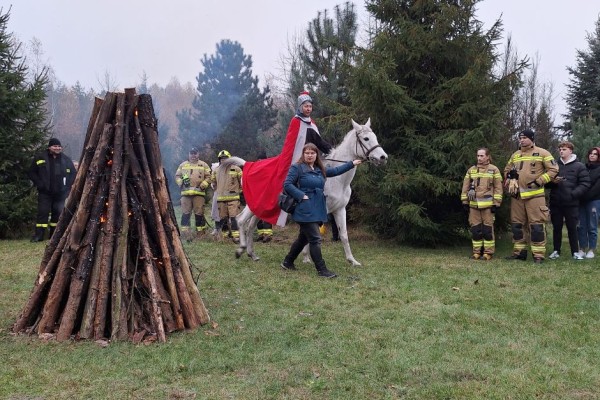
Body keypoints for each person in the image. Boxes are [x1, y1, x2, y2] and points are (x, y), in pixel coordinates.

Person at [240, 91, 332, 227]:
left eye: (310, 106)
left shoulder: (311, 123)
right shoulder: (296, 121)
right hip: (297, 162)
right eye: (305, 106)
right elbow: (290, 146)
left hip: (310, 158)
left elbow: (319, 142)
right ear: (300, 107)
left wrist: (332, 152)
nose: (308, 109)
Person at [280, 143, 362, 278]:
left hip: (317, 209)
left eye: (312, 153)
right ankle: (322, 270)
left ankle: (287, 262)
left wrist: (351, 163)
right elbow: (287, 184)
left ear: (316, 155)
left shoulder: (319, 169)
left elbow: (335, 171)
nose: (309, 155)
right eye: (307, 153)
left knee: (302, 238)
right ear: (303, 154)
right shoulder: (297, 168)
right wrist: (301, 195)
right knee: (315, 239)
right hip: (304, 208)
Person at [504, 129, 558, 263]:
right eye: (520, 138)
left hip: (535, 197)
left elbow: (554, 169)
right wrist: (510, 176)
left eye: (525, 137)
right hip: (517, 197)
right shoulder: (515, 155)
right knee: (517, 226)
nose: (521, 140)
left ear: (532, 138)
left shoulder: (542, 152)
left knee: (536, 226)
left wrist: (540, 181)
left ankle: (538, 255)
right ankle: (519, 253)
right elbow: (507, 169)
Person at [547, 142, 590, 260]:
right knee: (556, 227)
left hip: (571, 203)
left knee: (572, 228)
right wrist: (552, 182)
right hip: (556, 202)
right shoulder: (554, 165)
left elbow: (585, 184)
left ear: (570, 151)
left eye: (564, 149)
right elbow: (546, 183)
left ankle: (575, 252)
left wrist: (573, 194)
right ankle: (556, 251)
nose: (561, 151)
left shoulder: (579, 166)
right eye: (560, 149)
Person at [28, 138, 76, 242]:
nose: (57, 148)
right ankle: (39, 236)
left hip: (60, 193)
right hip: (45, 192)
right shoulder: (40, 157)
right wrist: (40, 184)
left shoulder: (65, 159)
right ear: (49, 147)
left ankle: (54, 236)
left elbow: (73, 173)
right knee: (43, 213)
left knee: (57, 214)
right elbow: (31, 172)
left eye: (59, 146)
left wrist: (67, 187)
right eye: (55, 146)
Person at [460, 148, 503, 260]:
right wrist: (465, 202)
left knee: (487, 230)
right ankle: (476, 252)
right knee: (475, 230)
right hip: (474, 206)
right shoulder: (471, 170)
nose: (479, 158)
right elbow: (465, 187)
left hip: (488, 206)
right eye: (478, 156)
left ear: (488, 156)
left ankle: (488, 253)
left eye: (482, 156)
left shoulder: (494, 170)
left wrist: (496, 204)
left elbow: (498, 188)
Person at [175, 147, 211, 240]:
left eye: (195, 153)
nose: (193, 155)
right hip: (185, 195)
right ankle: (186, 234)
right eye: (191, 153)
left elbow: (209, 176)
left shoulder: (203, 165)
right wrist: (181, 182)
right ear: (189, 154)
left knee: (199, 214)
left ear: (198, 154)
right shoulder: (183, 165)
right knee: (185, 213)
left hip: (199, 194)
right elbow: (177, 176)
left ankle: (201, 233)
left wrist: (204, 184)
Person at [212, 149, 242, 243]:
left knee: (234, 217)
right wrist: (214, 186)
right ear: (219, 160)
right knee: (223, 218)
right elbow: (213, 182)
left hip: (233, 198)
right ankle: (225, 235)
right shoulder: (216, 170)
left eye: (225, 158)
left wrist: (240, 191)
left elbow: (243, 181)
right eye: (221, 159)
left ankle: (236, 236)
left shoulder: (236, 169)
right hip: (221, 199)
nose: (223, 160)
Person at [576, 147, 600, 259]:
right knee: (581, 225)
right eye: (590, 153)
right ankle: (582, 249)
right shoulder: (584, 168)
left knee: (592, 226)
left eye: (595, 154)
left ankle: (591, 249)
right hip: (581, 201)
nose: (592, 155)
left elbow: (597, 188)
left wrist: (585, 196)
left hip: (594, 201)